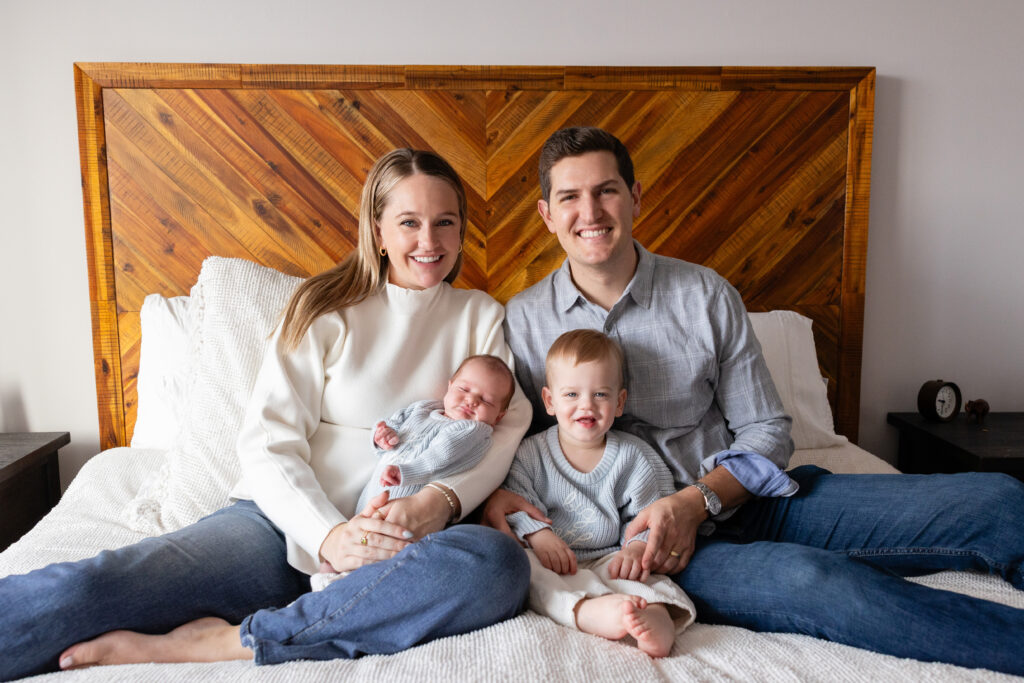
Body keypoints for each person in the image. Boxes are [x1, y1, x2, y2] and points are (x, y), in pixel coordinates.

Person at [484, 126, 1024, 675]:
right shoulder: (523, 321)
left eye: (606, 190)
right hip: (656, 559)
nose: (590, 211)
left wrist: (695, 502)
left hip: (748, 502)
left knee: (999, 502)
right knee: (820, 583)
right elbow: (512, 444)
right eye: (570, 197)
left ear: (636, 197)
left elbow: (767, 429)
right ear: (547, 214)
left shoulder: (704, 293)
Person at [0, 148, 532, 680]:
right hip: (274, 531)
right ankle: (306, 622)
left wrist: (434, 505)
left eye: (445, 222)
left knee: (497, 566)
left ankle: (226, 643)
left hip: (402, 546)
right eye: (409, 222)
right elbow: (267, 442)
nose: (429, 242)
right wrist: (328, 536)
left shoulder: (479, 316)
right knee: (92, 586)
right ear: (377, 229)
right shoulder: (324, 308)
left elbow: (504, 428)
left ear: (463, 230)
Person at [502, 329, 694, 657]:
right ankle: (588, 613)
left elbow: (653, 511)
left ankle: (656, 619)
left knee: (649, 582)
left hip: (611, 557)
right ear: (549, 401)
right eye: (572, 394)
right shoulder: (530, 454)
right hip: (552, 559)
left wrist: (635, 549)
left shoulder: (634, 456)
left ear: (619, 402)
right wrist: (538, 535)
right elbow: (514, 500)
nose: (586, 405)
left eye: (601, 395)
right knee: (528, 572)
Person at [312, 354, 516, 591]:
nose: (471, 400)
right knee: (346, 553)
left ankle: (343, 591)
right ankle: (332, 586)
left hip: (408, 517)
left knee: (383, 558)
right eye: (464, 388)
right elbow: (394, 426)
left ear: (499, 416)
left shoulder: (474, 431)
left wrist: (407, 472)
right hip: (370, 506)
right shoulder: (423, 409)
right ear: (449, 386)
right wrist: (382, 438)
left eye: (486, 401)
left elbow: (441, 456)